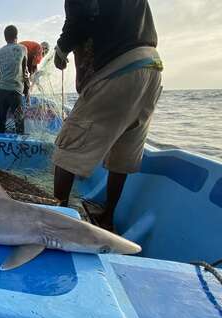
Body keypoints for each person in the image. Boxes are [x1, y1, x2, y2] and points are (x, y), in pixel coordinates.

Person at [52, 0, 163, 231]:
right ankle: (107, 217)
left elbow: (77, 24)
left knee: (67, 149)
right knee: (124, 152)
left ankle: (55, 221)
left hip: (119, 68)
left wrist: (60, 51)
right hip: (152, 67)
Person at [0, 25, 30, 134]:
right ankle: (20, 146)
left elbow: (0, 72)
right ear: (17, 36)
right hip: (15, 91)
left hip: (1, 90)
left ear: (5, 37)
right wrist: (27, 91)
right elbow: (24, 72)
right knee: (19, 120)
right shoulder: (23, 49)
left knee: (1, 119)